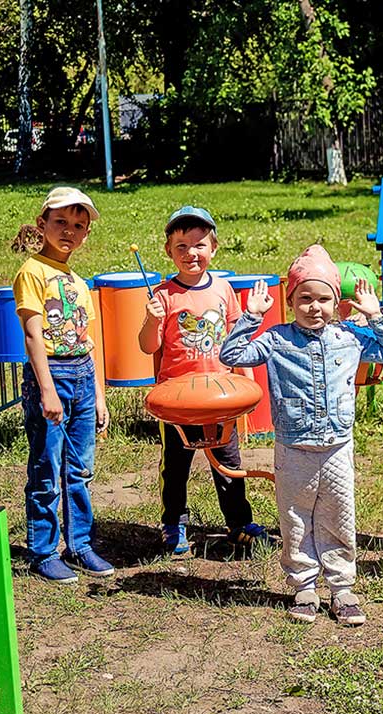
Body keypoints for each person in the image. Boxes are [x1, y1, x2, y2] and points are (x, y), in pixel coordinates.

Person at [220, 245, 383, 626]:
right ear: (290, 301)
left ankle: (342, 588)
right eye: (305, 298)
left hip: (337, 446)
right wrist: (252, 316)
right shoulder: (276, 340)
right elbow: (232, 355)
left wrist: (375, 316)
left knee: (339, 515)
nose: (314, 307)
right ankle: (304, 586)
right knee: (295, 517)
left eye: (324, 299)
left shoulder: (350, 337)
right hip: (293, 447)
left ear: (337, 303)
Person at [138, 205, 270, 555]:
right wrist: (151, 320)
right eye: (181, 246)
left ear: (213, 248)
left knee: (229, 463)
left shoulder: (224, 289)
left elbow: (237, 341)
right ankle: (173, 523)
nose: (190, 253)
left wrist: (249, 387)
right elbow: (147, 346)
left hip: (220, 397)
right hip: (178, 401)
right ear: (169, 251)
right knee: (176, 467)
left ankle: (238, 522)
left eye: (198, 245)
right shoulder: (163, 294)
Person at [13, 186, 113, 584]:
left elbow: (90, 339)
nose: (69, 231)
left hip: (83, 377)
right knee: (45, 466)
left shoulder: (77, 280)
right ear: (42, 225)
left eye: (78, 225)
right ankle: (42, 550)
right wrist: (47, 390)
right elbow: (34, 336)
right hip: (51, 376)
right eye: (61, 222)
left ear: (86, 234)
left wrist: (100, 395)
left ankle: (80, 543)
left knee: (80, 468)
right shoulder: (32, 272)